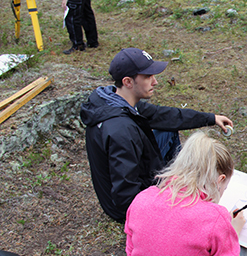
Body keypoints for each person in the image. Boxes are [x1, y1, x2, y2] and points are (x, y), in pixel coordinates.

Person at [80, 48, 233, 223]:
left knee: (167, 128)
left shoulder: (117, 101)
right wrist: (163, 208)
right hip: (125, 207)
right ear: (128, 81)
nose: (156, 82)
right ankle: (178, 189)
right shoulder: (120, 131)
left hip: (132, 178)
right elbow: (125, 194)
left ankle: (175, 182)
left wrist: (211, 118)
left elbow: (167, 116)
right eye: (147, 77)